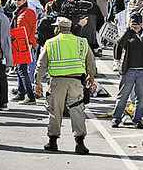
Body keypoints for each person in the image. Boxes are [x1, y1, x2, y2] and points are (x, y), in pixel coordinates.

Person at [35, 16, 97, 155]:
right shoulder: (82, 42)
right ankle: (80, 144)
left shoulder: (51, 43)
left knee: (55, 111)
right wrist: (91, 76)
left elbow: (41, 65)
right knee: (77, 111)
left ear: (58, 28)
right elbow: (91, 62)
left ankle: (53, 142)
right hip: (76, 82)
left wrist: (38, 82)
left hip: (57, 83)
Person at [111, 12, 143, 129]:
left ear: (141, 23)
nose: (135, 26)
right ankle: (116, 118)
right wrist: (129, 31)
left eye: (137, 24)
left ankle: (138, 119)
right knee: (123, 96)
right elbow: (119, 44)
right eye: (133, 23)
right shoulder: (128, 34)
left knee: (140, 98)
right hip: (129, 70)